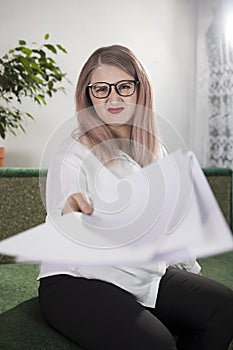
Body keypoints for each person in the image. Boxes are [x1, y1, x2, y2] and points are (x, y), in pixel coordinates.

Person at [38, 44, 233, 350]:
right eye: (101, 89)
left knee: (224, 307)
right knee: (157, 344)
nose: (113, 98)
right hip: (78, 280)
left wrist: (190, 278)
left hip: (143, 275)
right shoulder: (72, 152)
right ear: (87, 95)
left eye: (124, 86)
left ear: (140, 90)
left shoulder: (156, 150)